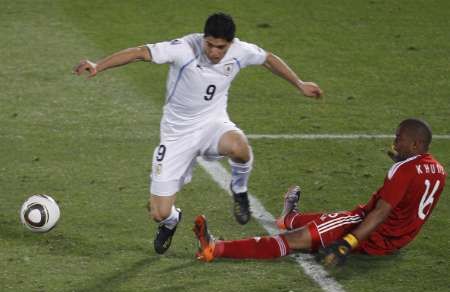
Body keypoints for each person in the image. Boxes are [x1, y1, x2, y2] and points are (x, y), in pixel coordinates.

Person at [73, 12, 323, 254]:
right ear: (203, 37)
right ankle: (171, 221)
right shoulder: (183, 48)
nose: (214, 52)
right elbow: (141, 53)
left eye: (221, 47)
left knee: (240, 147)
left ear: (231, 44)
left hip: (212, 124)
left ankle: (239, 189)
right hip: (177, 135)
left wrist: (299, 83)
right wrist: (99, 65)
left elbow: (268, 58)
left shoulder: (240, 51)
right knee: (158, 211)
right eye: (210, 44)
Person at [194, 118, 447, 266]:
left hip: (368, 230)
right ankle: (289, 217)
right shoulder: (437, 170)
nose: (394, 142)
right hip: (396, 241)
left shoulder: (402, 171)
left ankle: (216, 248)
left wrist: (347, 244)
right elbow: (410, 196)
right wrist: (401, 159)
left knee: (293, 240)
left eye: (400, 139)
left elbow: (380, 213)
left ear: (416, 144)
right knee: (331, 218)